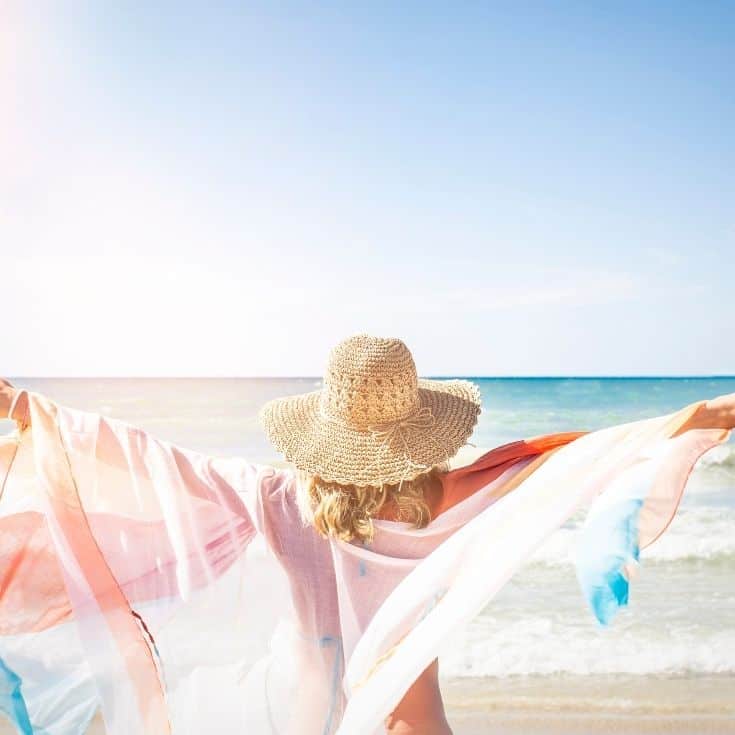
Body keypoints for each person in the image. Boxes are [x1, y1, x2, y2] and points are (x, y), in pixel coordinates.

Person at [0, 334, 733, 735]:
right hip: (412, 717)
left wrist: (30, 409)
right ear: (420, 424)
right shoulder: (451, 494)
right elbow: (572, 454)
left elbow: (150, 459)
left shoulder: (277, 495)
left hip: (304, 710)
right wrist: (701, 412)